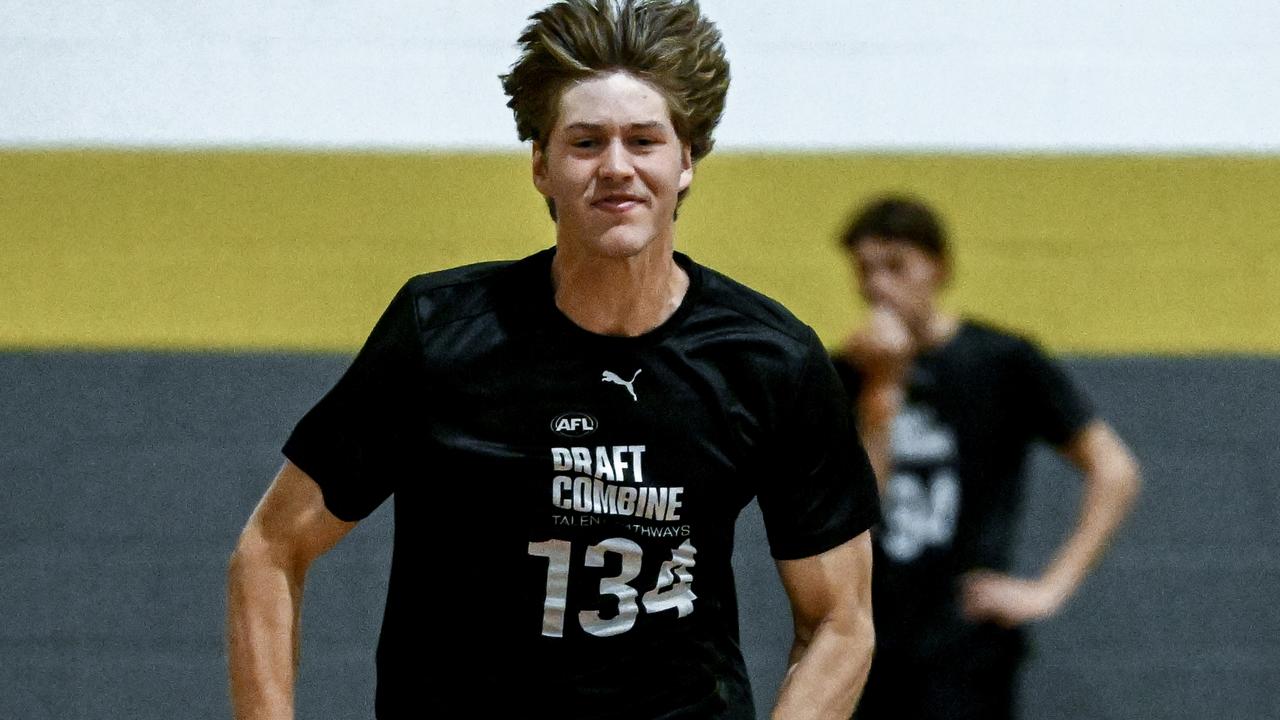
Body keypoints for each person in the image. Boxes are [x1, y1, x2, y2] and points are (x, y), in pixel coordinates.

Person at [226, 2, 881, 718]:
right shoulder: (443, 331)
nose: (617, 167)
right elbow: (270, 547)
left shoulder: (768, 360)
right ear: (541, 166)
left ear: (685, 162)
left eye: (643, 140)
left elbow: (840, 623)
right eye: (586, 142)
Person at [831, 196, 1141, 720]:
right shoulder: (849, 372)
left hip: (965, 642)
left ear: (939, 268)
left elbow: (1114, 470)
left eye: (895, 267)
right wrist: (881, 395)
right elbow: (854, 511)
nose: (877, 286)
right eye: (865, 270)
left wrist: (1050, 589)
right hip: (870, 633)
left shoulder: (1001, 361)